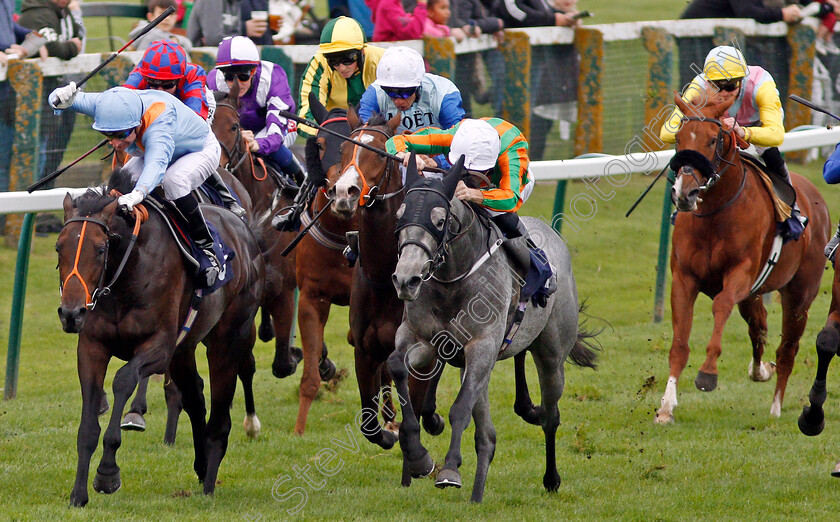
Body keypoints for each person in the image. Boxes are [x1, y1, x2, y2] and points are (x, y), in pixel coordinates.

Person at [49, 85, 225, 286]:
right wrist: (57, 97)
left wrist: (139, 192)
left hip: (199, 149)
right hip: (153, 148)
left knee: (173, 181)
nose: (115, 143)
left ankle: (208, 247)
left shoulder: (159, 124)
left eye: (121, 134)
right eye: (108, 135)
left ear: (137, 123)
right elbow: (62, 100)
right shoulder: (105, 104)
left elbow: (156, 166)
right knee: (122, 184)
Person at [385, 117, 557, 306]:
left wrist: (476, 194)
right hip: (456, 170)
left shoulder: (513, 149)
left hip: (506, 186)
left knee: (497, 214)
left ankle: (540, 264)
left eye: (477, 171)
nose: (470, 177)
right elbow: (395, 141)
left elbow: (510, 198)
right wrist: (407, 155)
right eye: (467, 171)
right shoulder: (453, 136)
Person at [659, 45, 807, 240]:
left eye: (730, 86)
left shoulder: (761, 84)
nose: (723, 93)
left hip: (757, 127)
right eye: (716, 85)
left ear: (742, 80)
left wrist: (742, 131)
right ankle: (683, 204)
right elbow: (666, 133)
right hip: (719, 130)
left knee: (770, 153)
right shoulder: (698, 86)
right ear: (707, 81)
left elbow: (776, 134)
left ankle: (792, 211)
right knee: (700, 150)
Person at [125, 40, 245, 218]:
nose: (160, 91)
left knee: (186, 149)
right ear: (144, 77)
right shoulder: (138, 74)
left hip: (193, 110)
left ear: (179, 79)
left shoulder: (193, 78)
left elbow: (192, 125)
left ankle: (227, 199)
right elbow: (120, 102)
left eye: (167, 86)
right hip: (157, 111)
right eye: (153, 84)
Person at [207, 36, 305, 184]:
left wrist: (258, 144)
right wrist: (238, 135)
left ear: (253, 71)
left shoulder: (273, 77)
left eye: (243, 76)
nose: (236, 84)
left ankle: (303, 182)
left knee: (272, 149)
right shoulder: (213, 81)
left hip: (277, 126)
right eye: (229, 77)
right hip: (238, 129)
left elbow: (275, 133)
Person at [496, 0, 580, 160]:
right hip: (512, 55)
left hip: (534, 57)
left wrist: (563, 17)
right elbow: (514, 11)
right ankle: (500, 167)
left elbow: (544, 9)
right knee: (508, 113)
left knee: (531, 112)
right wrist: (554, 20)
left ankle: (526, 165)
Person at [18, 0, 86, 188]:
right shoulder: (38, 13)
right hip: (35, 100)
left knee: (54, 153)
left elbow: (78, 37)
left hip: (58, 95)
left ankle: (42, 204)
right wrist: (70, 48)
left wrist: (69, 46)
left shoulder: (64, 12)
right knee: (38, 155)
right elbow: (55, 46)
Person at [297, 16, 386, 137]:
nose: (342, 67)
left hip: (377, 133)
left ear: (362, 52)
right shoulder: (319, 63)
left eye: (348, 59)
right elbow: (306, 117)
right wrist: (328, 135)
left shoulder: (384, 61)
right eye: (333, 61)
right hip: (333, 133)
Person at [358, 46, 465, 136]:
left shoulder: (444, 93)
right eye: (390, 92)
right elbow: (364, 135)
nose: (398, 101)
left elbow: (457, 139)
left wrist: (437, 161)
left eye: (405, 92)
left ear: (418, 85)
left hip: (437, 155)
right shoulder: (374, 93)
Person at [187, 0, 268, 46]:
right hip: (201, 65)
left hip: (225, 62)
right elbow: (213, 39)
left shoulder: (236, 3)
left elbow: (236, 33)